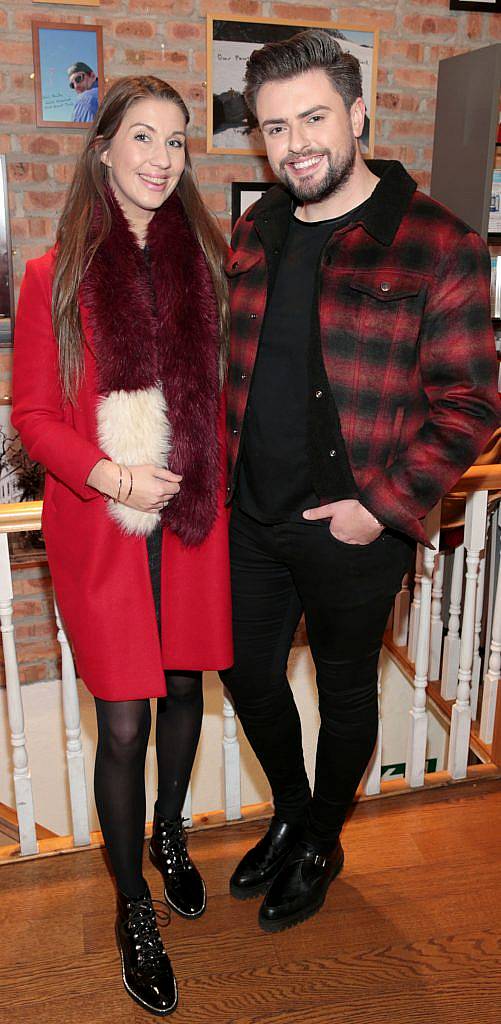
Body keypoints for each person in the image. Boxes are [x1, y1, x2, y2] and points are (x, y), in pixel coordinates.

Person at [222, 29, 499, 934]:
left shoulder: (435, 242)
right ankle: (296, 813)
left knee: (345, 694)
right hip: (249, 518)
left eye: (312, 117)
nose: (295, 142)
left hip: (353, 526)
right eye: (274, 127)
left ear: (357, 113)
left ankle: (319, 839)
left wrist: (378, 507)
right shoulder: (252, 232)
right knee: (246, 676)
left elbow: (470, 403)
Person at [13, 75, 232, 1016]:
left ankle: (169, 834)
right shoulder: (52, 271)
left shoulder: (208, 264)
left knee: (184, 686)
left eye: (176, 142)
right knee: (125, 722)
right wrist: (111, 476)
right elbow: (28, 415)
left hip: (188, 520)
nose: (159, 157)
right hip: (101, 527)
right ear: (103, 147)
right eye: (142, 137)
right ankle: (132, 906)